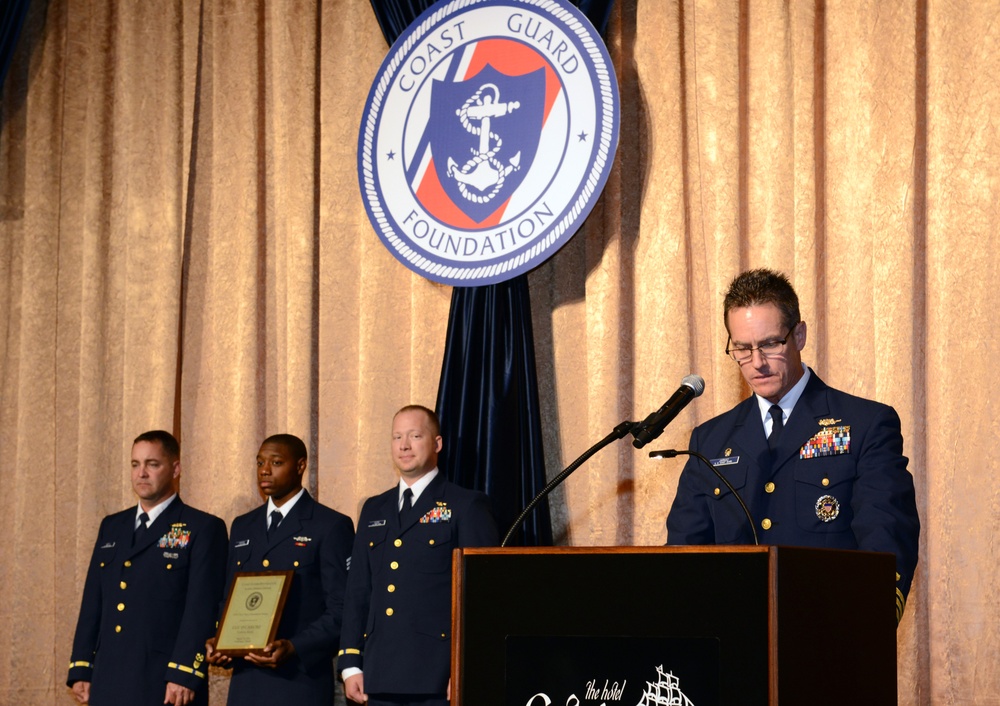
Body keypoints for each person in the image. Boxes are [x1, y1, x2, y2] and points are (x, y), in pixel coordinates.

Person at [666, 268, 920, 623]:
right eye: (742, 348)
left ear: (798, 335)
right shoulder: (709, 441)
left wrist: (866, 625)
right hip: (734, 643)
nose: (756, 363)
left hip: (830, 637)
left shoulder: (865, 425)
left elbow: (886, 540)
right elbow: (684, 556)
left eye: (770, 344)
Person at [339, 405, 499, 706]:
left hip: (436, 677)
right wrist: (350, 663)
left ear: (437, 444)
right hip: (379, 675)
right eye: (397, 437)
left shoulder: (466, 505)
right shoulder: (374, 508)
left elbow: (482, 595)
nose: (404, 445)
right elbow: (358, 590)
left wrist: (466, 666)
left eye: (415, 435)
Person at [67, 430, 228, 705]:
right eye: (135, 464)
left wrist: (184, 672)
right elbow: (94, 600)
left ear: (175, 469)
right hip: (108, 678)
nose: (141, 473)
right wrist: (81, 666)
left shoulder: (202, 527)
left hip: (165, 682)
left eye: (152, 464)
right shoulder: (112, 526)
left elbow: (202, 607)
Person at [205, 434, 355, 705]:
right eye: (260, 462)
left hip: (299, 680)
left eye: (276, 462)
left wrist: (295, 647)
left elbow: (343, 608)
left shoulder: (329, 525)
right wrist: (221, 640)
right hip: (245, 683)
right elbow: (228, 597)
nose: (264, 469)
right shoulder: (243, 526)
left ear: (300, 466)